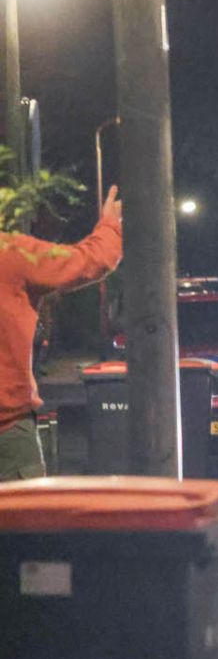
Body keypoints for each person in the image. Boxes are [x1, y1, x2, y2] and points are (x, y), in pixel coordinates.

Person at [0, 186, 123, 479]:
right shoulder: (10, 254)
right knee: (24, 509)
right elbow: (88, 262)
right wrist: (110, 225)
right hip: (8, 431)